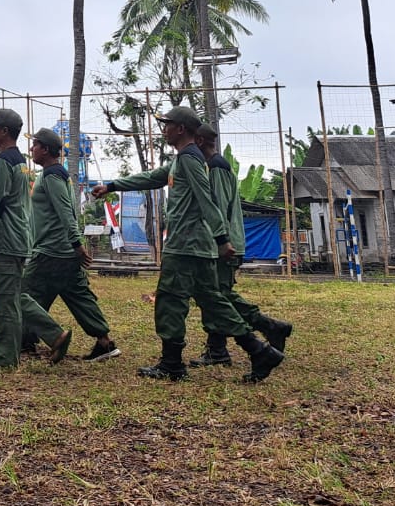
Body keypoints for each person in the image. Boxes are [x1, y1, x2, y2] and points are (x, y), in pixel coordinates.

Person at [91, 106, 285, 383]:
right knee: (215, 302)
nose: (164, 129)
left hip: (186, 246)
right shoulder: (182, 160)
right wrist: (112, 186)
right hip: (197, 247)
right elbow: (152, 178)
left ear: (181, 129)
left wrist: (222, 238)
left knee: (169, 302)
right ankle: (259, 350)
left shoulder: (191, 160)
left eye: (167, 125)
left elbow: (207, 200)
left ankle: (171, 363)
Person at [0, 108, 70, 370]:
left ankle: (5, 359)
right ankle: (54, 335)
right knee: (15, 293)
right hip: (19, 236)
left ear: (5, 131)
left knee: (3, 298)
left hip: (6, 239)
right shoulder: (20, 162)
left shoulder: (4, 162)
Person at [190, 123, 292, 366]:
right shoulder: (212, 166)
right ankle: (217, 350)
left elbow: (218, 207)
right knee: (216, 295)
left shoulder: (217, 167)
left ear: (201, 141)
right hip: (221, 241)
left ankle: (268, 327)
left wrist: (220, 240)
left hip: (224, 243)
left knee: (217, 297)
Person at [22, 128, 118, 363]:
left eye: (34, 145)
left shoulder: (53, 175)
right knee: (78, 296)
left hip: (51, 251)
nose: (31, 149)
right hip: (62, 252)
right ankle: (104, 343)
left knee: (24, 294)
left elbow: (66, 212)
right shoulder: (54, 174)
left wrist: (76, 244)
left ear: (45, 149)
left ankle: (39, 339)